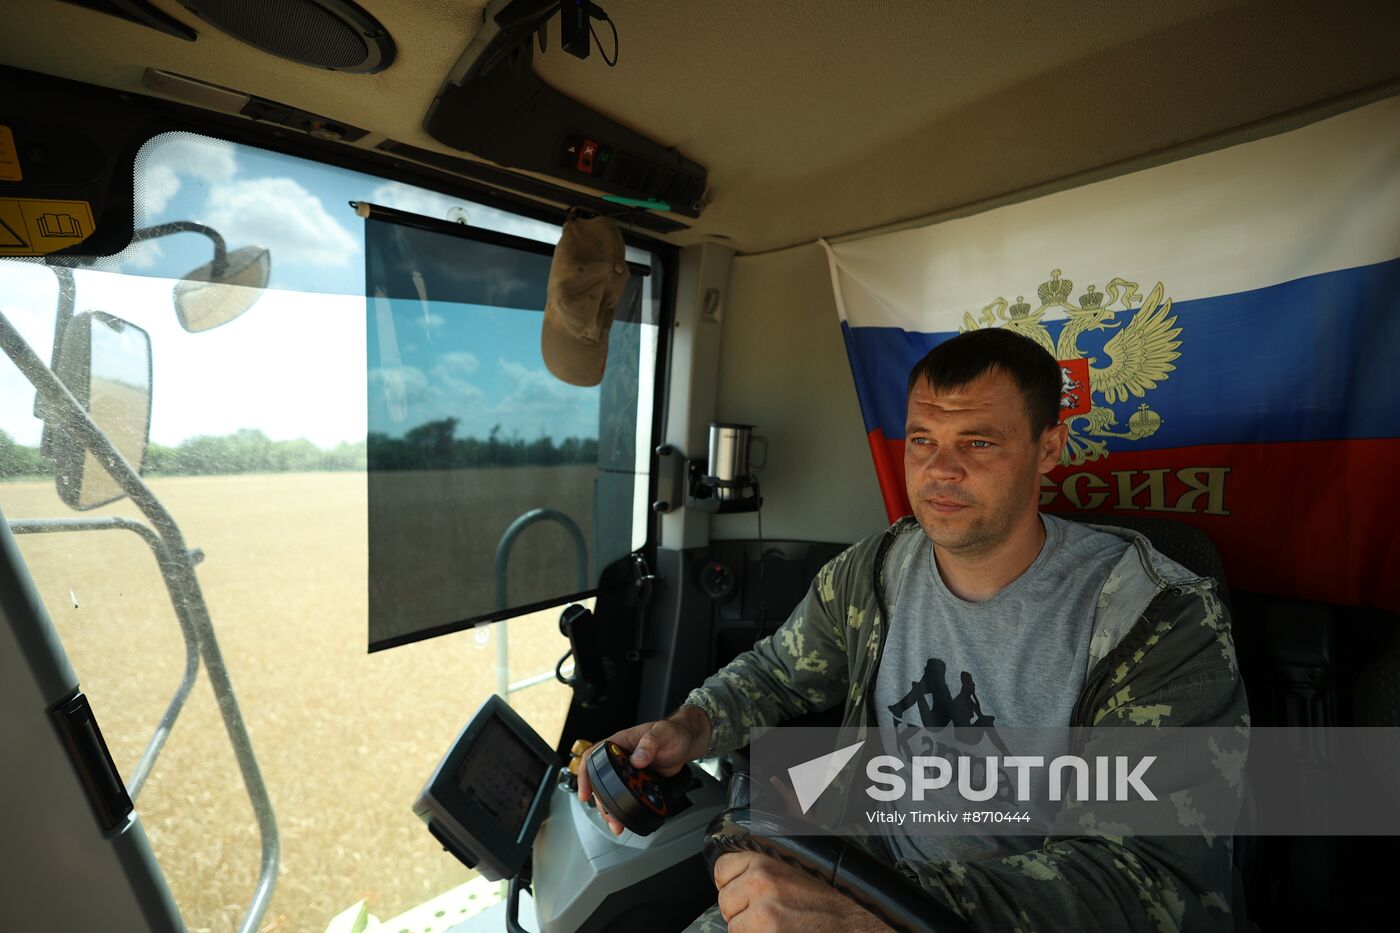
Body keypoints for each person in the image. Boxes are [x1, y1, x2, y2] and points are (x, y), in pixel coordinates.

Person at [577, 328, 1246, 932]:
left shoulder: (1155, 618)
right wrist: (689, 727)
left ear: (1049, 448)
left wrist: (863, 909)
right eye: (923, 440)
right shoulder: (878, 570)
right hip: (864, 867)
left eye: (977, 442)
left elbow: (1153, 884)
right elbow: (777, 671)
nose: (940, 470)